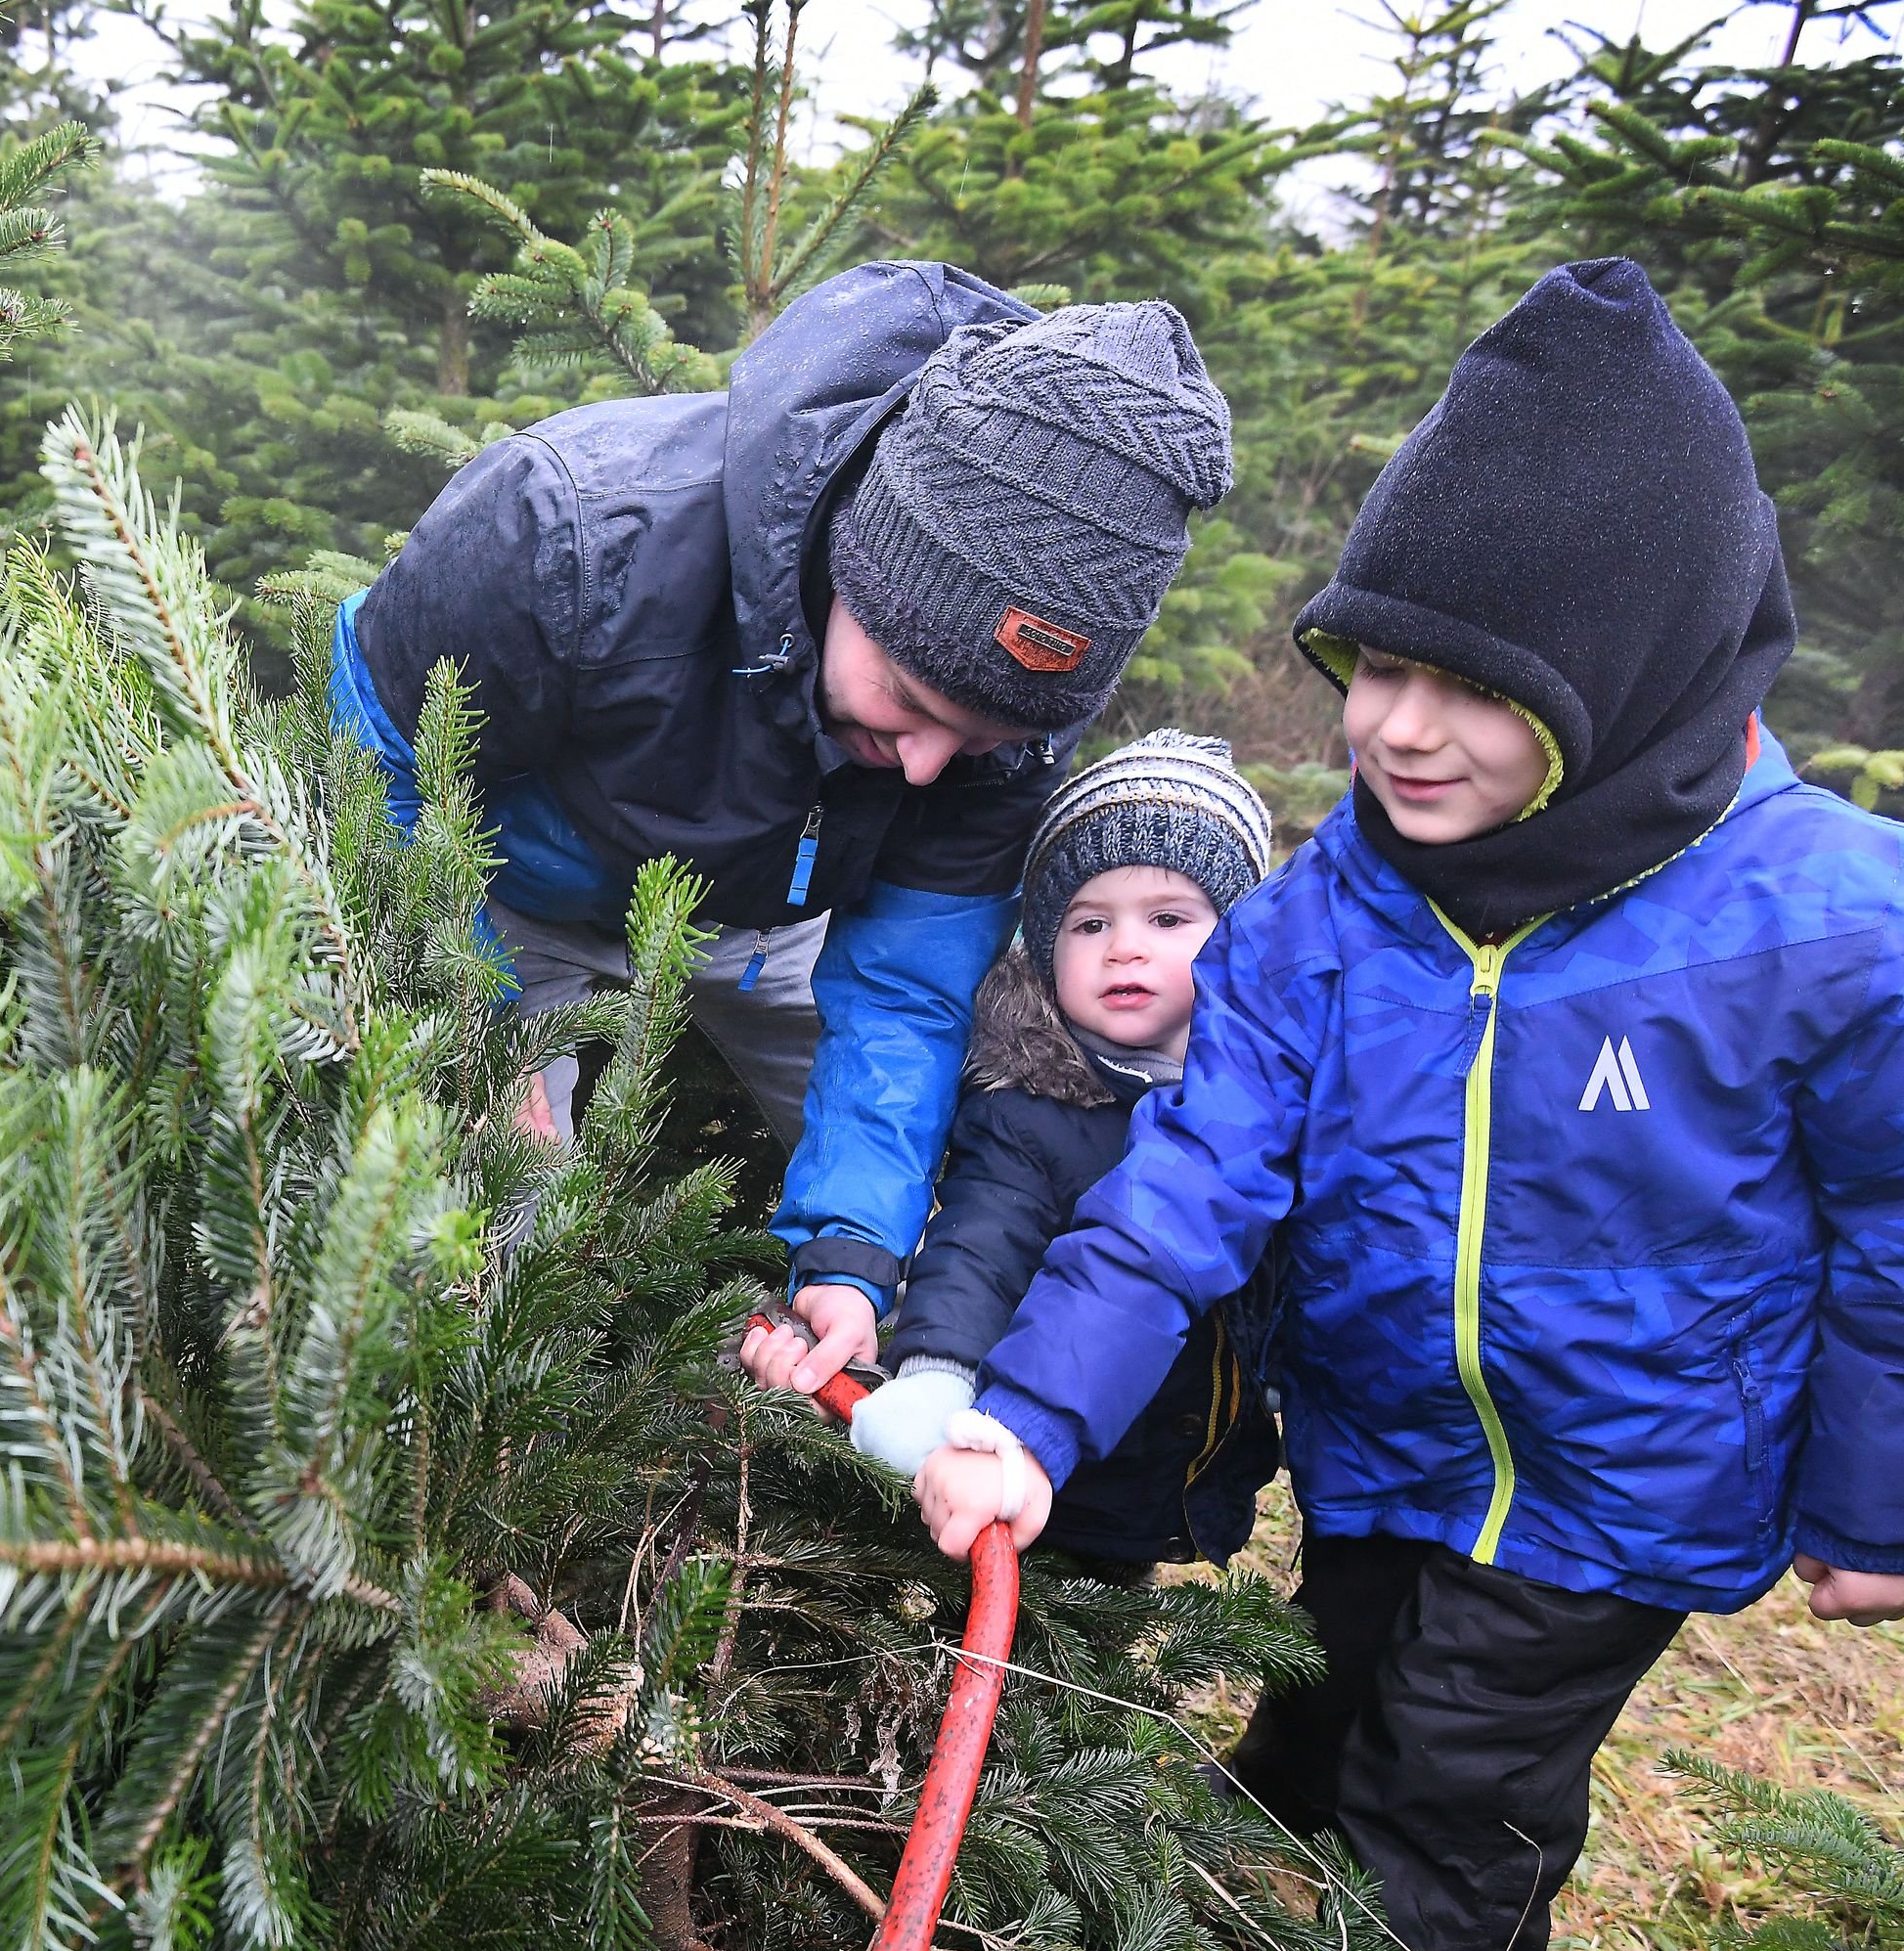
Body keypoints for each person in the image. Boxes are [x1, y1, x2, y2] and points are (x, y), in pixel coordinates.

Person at [876, 258, 1904, 1951]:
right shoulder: (1323, 919)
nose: (1386, 724)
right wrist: (1033, 1419)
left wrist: (1897, 1501)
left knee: (1457, 1801)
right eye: (1368, 661)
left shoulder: (1847, 920)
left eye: (1461, 683)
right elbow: (1185, 1188)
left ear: (1625, 677)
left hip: (1621, 1488)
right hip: (1377, 1459)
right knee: (1327, 1711)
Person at [332, 268, 1236, 1362]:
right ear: (853, 565)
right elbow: (377, 766)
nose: (925, 771)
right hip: (506, 887)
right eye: (907, 702)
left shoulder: (1010, 723)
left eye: (981, 740)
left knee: (923, 1219)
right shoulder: (570, 525)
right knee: (479, 1233)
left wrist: (855, 1249)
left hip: (775, 919)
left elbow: (907, 986)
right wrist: (474, 1036)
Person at [840, 732, 1280, 1576]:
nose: (1124, 947)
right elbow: (980, 1247)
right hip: (1019, 1453)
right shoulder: (1031, 1106)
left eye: (1167, 919)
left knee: (1102, 1647)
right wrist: (937, 1376)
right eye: (1088, 922)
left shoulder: (1267, 1100)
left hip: (1173, 1465)